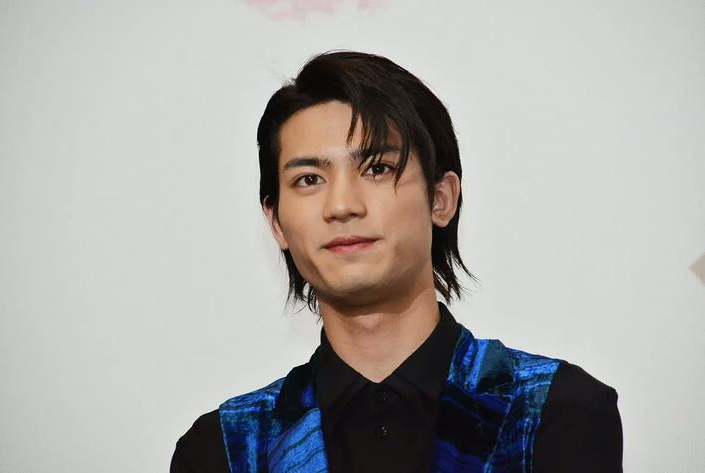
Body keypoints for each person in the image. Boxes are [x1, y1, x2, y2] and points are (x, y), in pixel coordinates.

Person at [170, 50, 623, 473]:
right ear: (277, 223)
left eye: (377, 169)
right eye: (309, 179)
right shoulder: (224, 450)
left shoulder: (556, 412)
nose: (341, 205)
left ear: (440, 198)